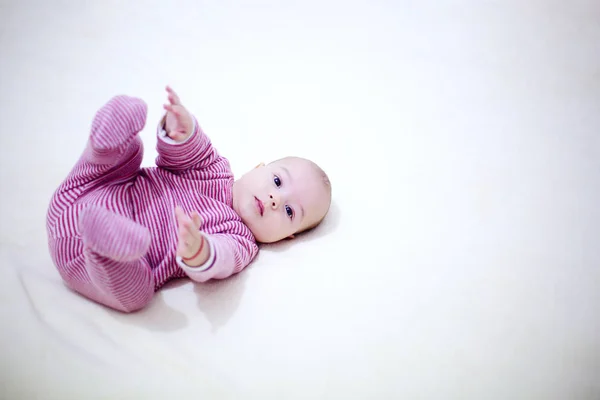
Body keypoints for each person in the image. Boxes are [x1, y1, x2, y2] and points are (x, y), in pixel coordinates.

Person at [46, 86, 332, 313]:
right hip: (88, 192)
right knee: (129, 156)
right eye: (278, 181)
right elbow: (194, 152)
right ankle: (106, 144)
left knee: (135, 294)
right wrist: (182, 132)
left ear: (286, 237)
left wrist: (199, 249)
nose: (274, 200)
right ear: (258, 167)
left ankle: (106, 247)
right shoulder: (216, 170)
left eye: (290, 212)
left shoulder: (240, 240)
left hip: (87, 263)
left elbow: (223, 257)